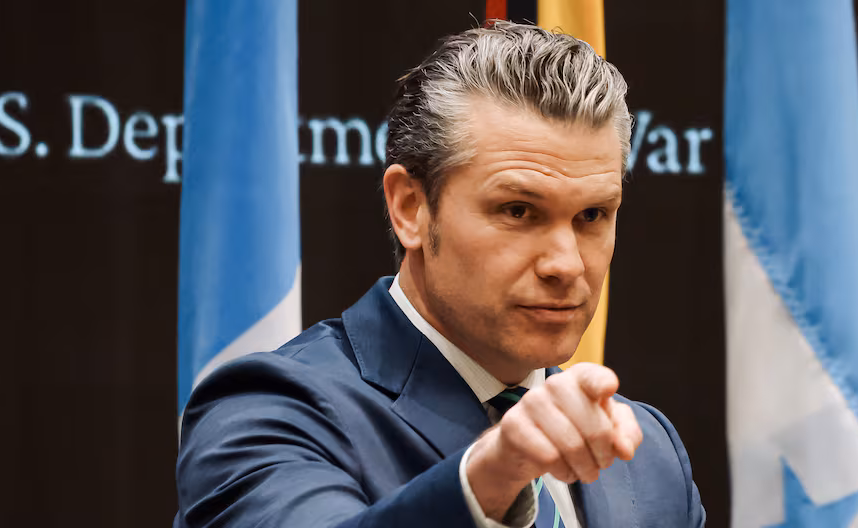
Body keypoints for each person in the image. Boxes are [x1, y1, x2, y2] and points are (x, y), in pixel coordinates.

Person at [175, 21, 705, 528]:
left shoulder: (647, 454)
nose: (566, 264)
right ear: (410, 208)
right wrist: (490, 481)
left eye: (592, 215)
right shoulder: (269, 410)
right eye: (518, 210)